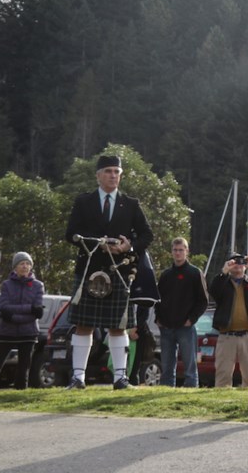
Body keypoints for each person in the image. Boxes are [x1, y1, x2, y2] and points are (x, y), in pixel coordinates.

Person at [64, 154, 154, 390]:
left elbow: (147, 235)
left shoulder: (131, 204)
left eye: (116, 171)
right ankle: (78, 378)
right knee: (84, 324)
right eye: (108, 171)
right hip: (89, 272)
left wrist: (128, 246)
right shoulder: (84, 202)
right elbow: (71, 234)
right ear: (98, 175)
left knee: (119, 325)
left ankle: (120, 378)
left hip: (119, 272)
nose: (113, 175)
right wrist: (97, 244)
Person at [0, 253, 45, 390]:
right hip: (7, 330)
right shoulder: (6, 285)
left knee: (24, 366)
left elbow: (37, 312)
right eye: (21, 264)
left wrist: (15, 316)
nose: (25, 266)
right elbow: (4, 308)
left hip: (29, 331)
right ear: (15, 267)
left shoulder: (38, 286)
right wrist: (27, 310)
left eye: (27, 264)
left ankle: (20, 392)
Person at [155, 238, 209, 387]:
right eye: (175, 250)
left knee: (189, 365)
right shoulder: (165, 275)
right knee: (166, 366)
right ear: (171, 252)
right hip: (166, 327)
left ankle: (191, 391)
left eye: (181, 250)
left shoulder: (194, 273)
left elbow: (203, 301)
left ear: (187, 251)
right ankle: (165, 391)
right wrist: (158, 318)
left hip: (185, 327)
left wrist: (191, 319)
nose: (178, 253)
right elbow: (157, 299)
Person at [210, 252, 248, 388]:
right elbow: (213, 291)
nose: (238, 266)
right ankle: (222, 405)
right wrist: (223, 273)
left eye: (241, 262)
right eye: (233, 263)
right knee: (223, 377)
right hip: (227, 336)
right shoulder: (223, 283)